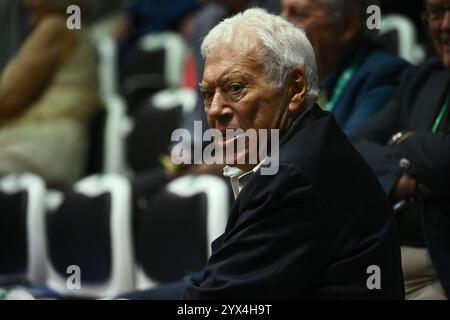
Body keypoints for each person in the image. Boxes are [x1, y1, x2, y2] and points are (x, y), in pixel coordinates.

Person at [121, 8, 404, 299]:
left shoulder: (293, 176)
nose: (216, 110)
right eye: (208, 94)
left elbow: (217, 302)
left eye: (235, 88)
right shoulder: (304, 144)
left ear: (295, 88)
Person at [353, 0, 450, 300]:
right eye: (436, 12)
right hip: (380, 257)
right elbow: (353, 146)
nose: (445, 25)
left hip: (439, 267)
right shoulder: (425, 76)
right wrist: (410, 182)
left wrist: (400, 141)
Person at [0, 0, 100, 185]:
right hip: (58, 146)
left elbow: (8, 98)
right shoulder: (75, 26)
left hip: (40, 146)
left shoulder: (55, 27)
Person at [282, 0, 410, 136]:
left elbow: (350, 151)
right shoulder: (291, 74)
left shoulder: (385, 75)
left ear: (347, 25)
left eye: (299, 14)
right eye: (283, 11)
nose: (282, 23)